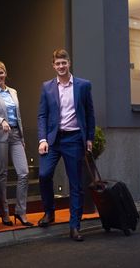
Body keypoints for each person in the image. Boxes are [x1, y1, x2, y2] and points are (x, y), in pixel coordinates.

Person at [37, 49, 95, 241]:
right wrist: (43, 139)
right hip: (53, 141)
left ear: (69, 63)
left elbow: (89, 114)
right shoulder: (47, 87)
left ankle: (74, 226)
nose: (61, 66)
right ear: (53, 66)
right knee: (44, 175)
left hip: (74, 139)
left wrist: (89, 139)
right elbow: (42, 115)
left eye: (64, 62)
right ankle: (49, 211)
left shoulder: (83, 86)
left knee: (76, 184)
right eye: (57, 64)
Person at [0, 60, 33, 227]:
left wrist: (22, 139)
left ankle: (20, 211)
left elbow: (18, 117)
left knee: (24, 173)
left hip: (16, 135)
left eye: (1, 73)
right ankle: (4, 213)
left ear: (5, 73)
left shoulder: (13, 92)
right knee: (2, 175)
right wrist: (0, 120)